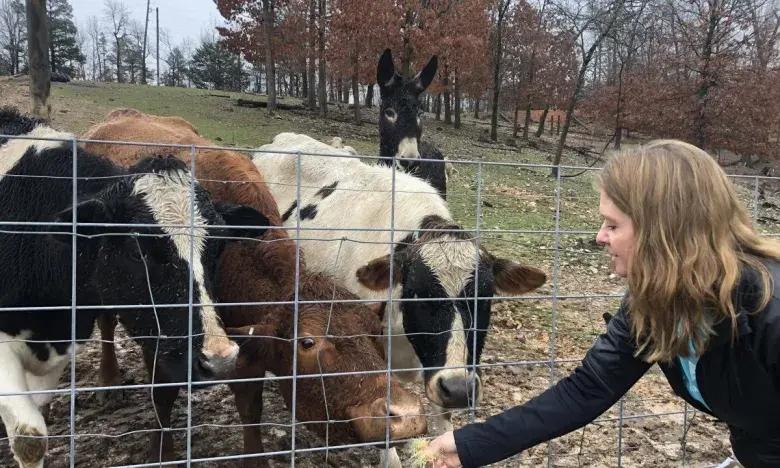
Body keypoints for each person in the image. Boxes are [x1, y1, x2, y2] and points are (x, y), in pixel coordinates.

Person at [424, 140, 780, 467]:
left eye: (612, 224)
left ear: (663, 231)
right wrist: (470, 444)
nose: (600, 237)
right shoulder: (655, 302)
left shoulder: (769, 312)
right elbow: (587, 389)